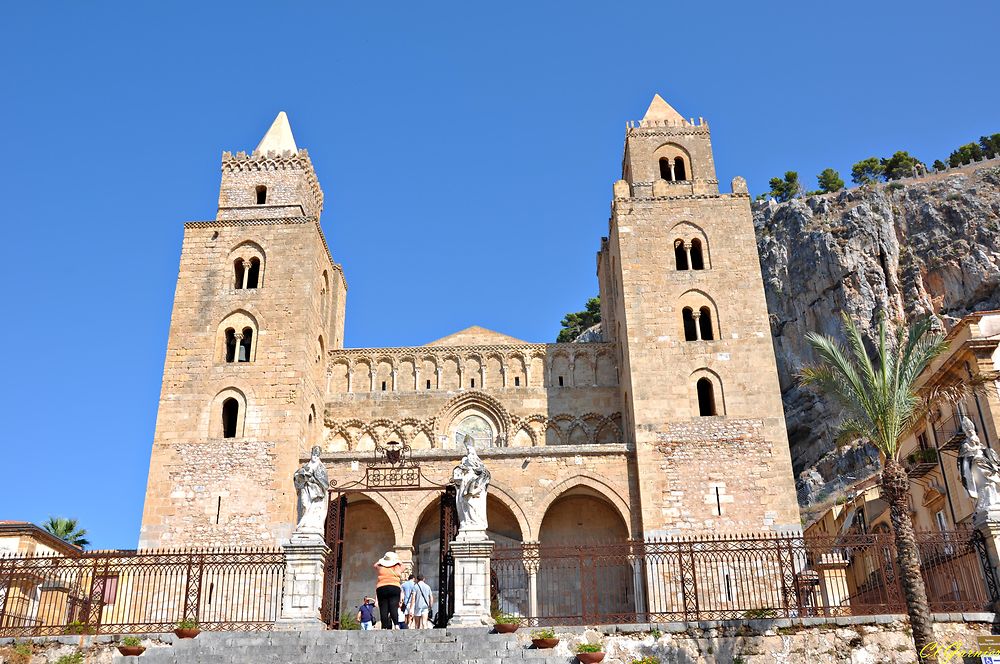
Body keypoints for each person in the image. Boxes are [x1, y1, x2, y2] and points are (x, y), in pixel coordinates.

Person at [373, 551, 404, 630]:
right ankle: (396, 624)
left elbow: (375, 565)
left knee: (383, 608)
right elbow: (403, 567)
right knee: (394, 606)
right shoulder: (397, 566)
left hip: (381, 587)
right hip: (394, 586)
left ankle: (384, 627)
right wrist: (398, 561)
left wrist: (382, 560)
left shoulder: (380, 567)